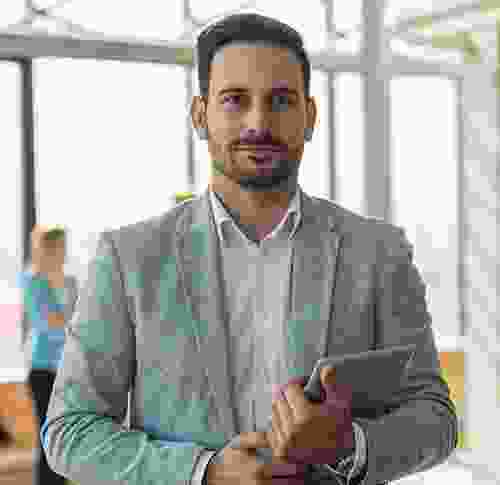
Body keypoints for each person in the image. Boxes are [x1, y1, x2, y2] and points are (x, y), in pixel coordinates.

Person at [41, 13, 458, 485]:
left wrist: (347, 445)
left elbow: (435, 418)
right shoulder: (129, 259)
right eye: (235, 100)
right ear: (200, 116)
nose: (258, 123)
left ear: (310, 117)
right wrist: (204, 472)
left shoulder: (378, 252)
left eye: (281, 101)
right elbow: (69, 431)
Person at [19, 225, 78, 485]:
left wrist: (66, 323)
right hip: (41, 368)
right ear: (46, 248)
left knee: (63, 438)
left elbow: (80, 320)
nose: (63, 252)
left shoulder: (71, 281)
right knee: (47, 439)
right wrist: (69, 324)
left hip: (67, 369)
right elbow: (46, 325)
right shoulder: (32, 280)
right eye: (58, 246)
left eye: (64, 246)